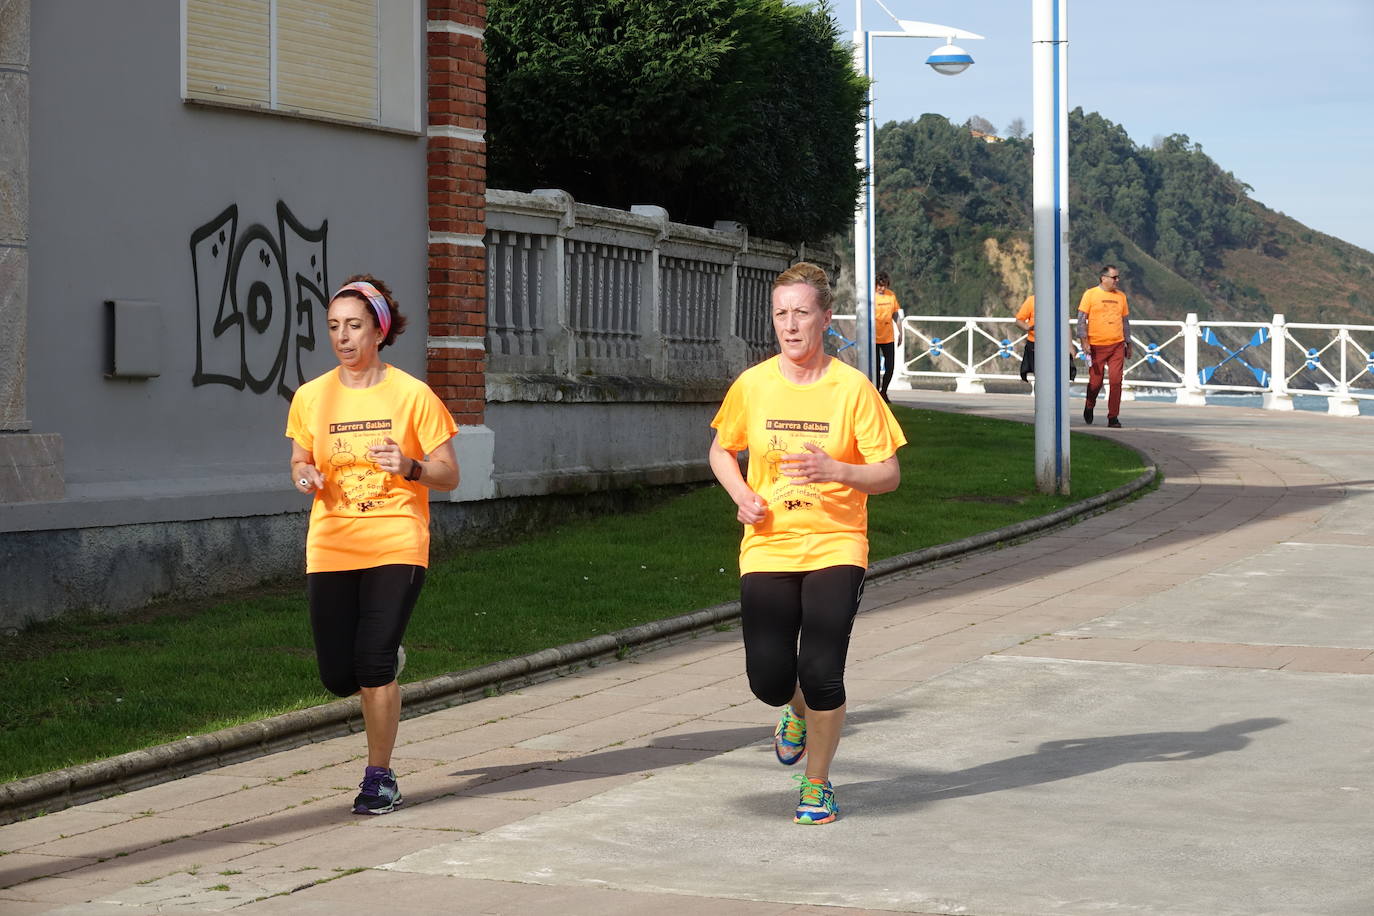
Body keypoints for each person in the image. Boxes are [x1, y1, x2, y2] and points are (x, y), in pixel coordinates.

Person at [708, 262, 907, 825]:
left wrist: (835, 468)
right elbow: (722, 450)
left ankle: (816, 784)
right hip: (768, 543)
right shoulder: (754, 384)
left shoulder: (853, 389)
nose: (790, 325)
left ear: (824, 318)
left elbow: (888, 473)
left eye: (801, 313)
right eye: (780, 314)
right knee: (770, 679)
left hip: (836, 543)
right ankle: (791, 712)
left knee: (821, 670)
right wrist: (740, 494)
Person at [286, 274, 459, 815]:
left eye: (354, 326)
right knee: (339, 675)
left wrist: (408, 466)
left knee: (372, 662)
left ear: (378, 332)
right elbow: (299, 460)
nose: (343, 337)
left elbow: (449, 475)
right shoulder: (312, 396)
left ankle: (379, 777)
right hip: (332, 541)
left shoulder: (413, 395)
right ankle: (382, 661)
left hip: (396, 539)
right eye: (334, 326)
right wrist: (304, 477)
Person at [1077, 266, 1132, 428]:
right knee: (1095, 382)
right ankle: (1089, 404)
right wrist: (1084, 341)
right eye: (1114, 277)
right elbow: (1081, 320)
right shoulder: (1090, 294)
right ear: (1104, 278)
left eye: (1118, 277)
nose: (1117, 280)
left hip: (1117, 344)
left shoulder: (1121, 297)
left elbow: (1125, 322)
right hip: (1095, 345)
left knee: (1116, 381)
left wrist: (1129, 343)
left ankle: (1113, 417)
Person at [1014, 294, 1077, 384]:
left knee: (1056, 375)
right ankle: (1041, 396)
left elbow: (1065, 324)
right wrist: (1027, 327)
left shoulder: (1058, 300)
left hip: (1055, 344)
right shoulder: (1032, 300)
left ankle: (1054, 396)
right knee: (1040, 377)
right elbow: (1018, 320)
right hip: (1035, 344)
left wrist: (1070, 346)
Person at [873, 271, 904, 402]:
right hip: (874, 337)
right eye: (880, 286)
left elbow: (895, 315)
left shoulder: (891, 296)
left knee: (890, 366)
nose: (882, 288)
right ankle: (875, 392)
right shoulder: (871, 296)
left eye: (884, 285)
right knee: (876, 367)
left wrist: (900, 332)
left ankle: (884, 391)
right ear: (876, 285)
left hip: (888, 337)